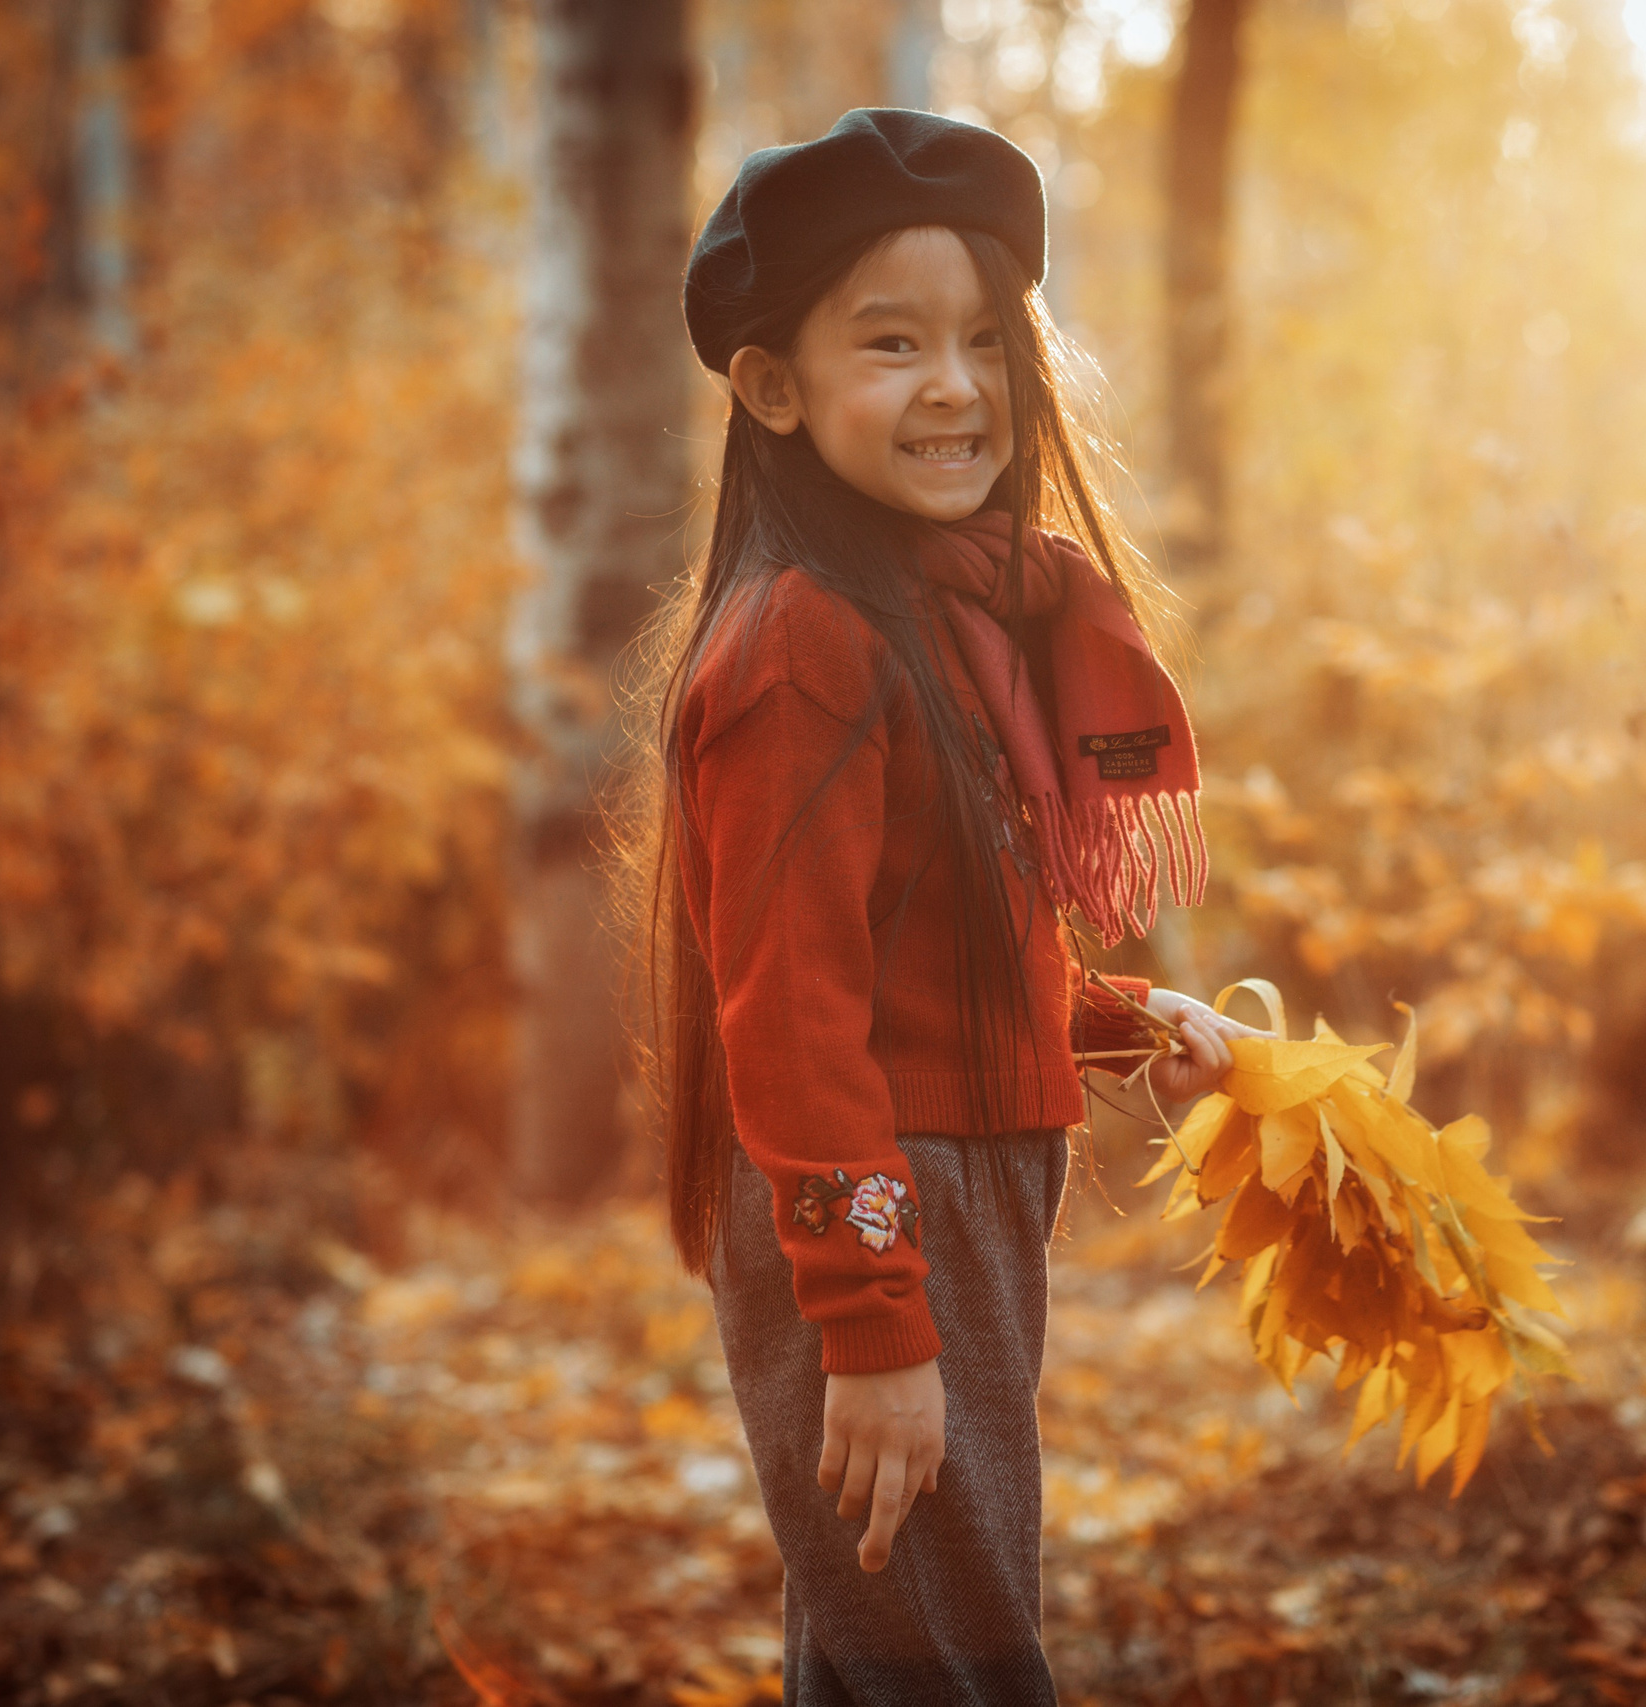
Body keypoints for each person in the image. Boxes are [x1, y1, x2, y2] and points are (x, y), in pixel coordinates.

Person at [639, 109, 1262, 1704]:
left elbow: (925, 951)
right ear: (771, 388)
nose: (958, 387)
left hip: (956, 1205)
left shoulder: (946, 621)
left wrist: (1122, 1019)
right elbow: (791, 1021)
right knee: (955, 1664)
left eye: (988, 338)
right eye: (892, 341)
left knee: (885, 1658)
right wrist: (872, 1323)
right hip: (877, 1212)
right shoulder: (807, 648)